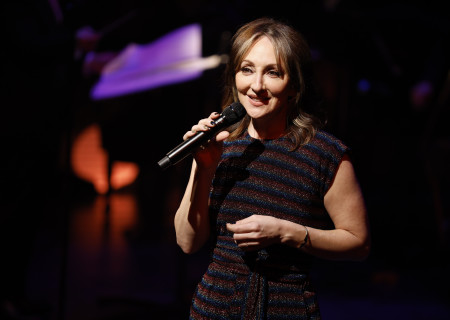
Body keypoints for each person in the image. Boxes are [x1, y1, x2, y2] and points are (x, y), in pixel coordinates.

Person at [174, 17, 370, 319]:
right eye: (247, 69)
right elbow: (188, 242)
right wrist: (204, 168)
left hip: (287, 308)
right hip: (214, 307)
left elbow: (358, 243)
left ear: (294, 85)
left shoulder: (324, 154)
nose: (256, 86)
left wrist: (286, 232)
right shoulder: (220, 146)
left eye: (273, 73)